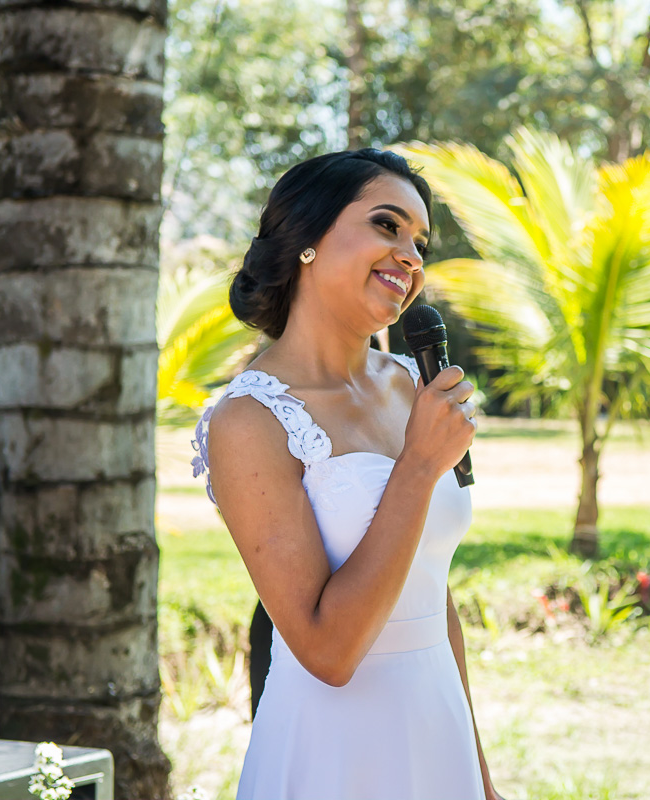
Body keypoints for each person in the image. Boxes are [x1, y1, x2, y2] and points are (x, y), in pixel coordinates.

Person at [191, 148, 501, 800]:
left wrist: (479, 773)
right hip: (334, 753)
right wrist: (418, 466)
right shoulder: (248, 420)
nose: (411, 257)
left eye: (419, 241)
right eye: (387, 226)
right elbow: (327, 652)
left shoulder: (406, 384)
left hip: (437, 729)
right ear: (306, 240)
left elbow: (431, 595)